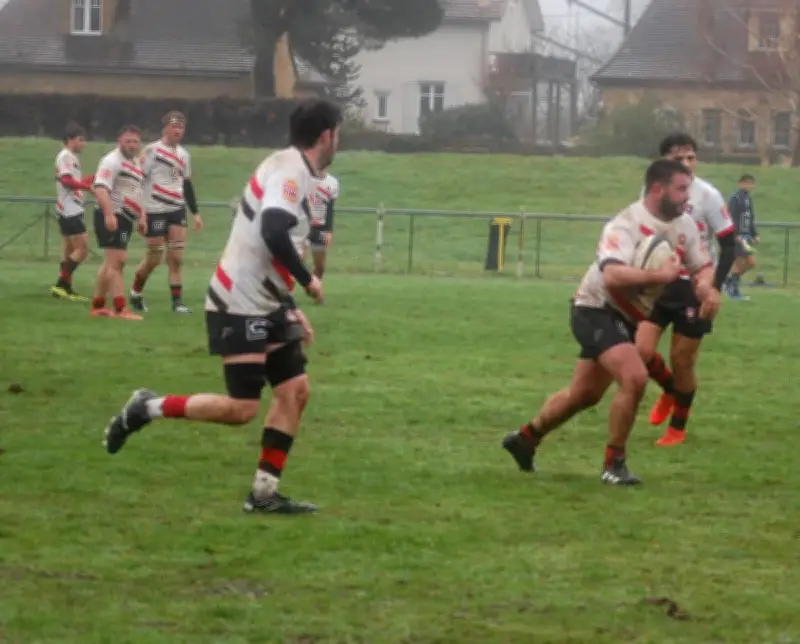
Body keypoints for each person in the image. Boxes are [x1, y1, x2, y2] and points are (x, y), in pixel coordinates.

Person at [101, 99, 342, 514]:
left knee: (295, 391)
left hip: (265, 300)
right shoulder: (289, 171)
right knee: (242, 409)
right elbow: (272, 230)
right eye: (338, 133)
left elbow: (262, 243)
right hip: (238, 301)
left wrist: (287, 303)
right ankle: (147, 407)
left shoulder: (296, 170)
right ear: (326, 135)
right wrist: (308, 281)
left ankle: (264, 494)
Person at [502, 159, 716, 485]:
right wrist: (659, 275)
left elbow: (702, 266)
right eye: (681, 189)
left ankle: (525, 439)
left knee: (583, 394)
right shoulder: (625, 225)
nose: (688, 197)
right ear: (658, 189)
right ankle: (614, 464)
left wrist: (706, 289)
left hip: (627, 317)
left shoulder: (684, 225)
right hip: (595, 308)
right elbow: (613, 275)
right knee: (634, 377)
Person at [638, 133, 736, 446]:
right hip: (658, 283)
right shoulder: (650, 193)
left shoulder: (707, 195)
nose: (687, 164)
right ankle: (670, 390)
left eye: (691, 157)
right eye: (679, 158)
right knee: (640, 351)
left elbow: (729, 245)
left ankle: (677, 428)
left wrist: (714, 288)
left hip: (694, 285)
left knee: (682, 360)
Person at [130, 111, 203, 314]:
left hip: (176, 208)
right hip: (155, 209)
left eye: (181, 127)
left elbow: (186, 184)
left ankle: (177, 302)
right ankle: (135, 293)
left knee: (176, 257)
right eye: (174, 127)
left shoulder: (184, 155)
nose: (178, 130)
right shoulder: (152, 150)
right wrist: (140, 212)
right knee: (154, 257)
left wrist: (195, 213)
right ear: (165, 129)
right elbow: (138, 179)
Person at [90, 125, 147, 319]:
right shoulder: (111, 161)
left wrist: (142, 217)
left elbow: (137, 192)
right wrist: (109, 214)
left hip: (126, 218)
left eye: (135, 142)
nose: (132, 145)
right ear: (119, 141)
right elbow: (100, 188)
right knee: (118, 261)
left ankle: (98, 306)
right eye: (128, 141)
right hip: (113, 215)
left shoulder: (135, 163)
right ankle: (121, 309)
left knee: (110, 263)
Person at [51, 123, 93, 301]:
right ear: (70, 140)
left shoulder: (70, 157)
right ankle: (61, 285)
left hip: (69, 208)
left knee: (69, 252)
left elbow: (69, 181)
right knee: (82, 250)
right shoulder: (66, 156)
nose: (84, 144)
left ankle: (65, 289)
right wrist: (86, 186)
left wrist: (86, 181)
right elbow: (67, 181)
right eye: (81, 140)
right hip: (70, 210)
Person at [724, 174, 759, 300]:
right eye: (746, 183)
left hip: (747, 236)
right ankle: (733, 289)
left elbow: (751, 217)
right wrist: (735, 234)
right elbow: (731, 216)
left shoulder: (748, 199)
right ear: (740, 183)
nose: (749, 186)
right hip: (739, 236)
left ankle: (729, 281)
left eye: (751, 183)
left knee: (750, 263)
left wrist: (754, 234)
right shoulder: (736, 198)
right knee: (739, 261)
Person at [307, 172, 339, 282]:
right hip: (303, 225)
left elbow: (330, 209)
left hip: (320, 228)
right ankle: (287, 292)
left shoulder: (332, 182)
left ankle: (314, 287)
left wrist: (329, 231)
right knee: (297, 259)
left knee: (320, 267)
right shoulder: (304, 177)